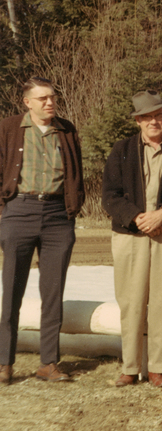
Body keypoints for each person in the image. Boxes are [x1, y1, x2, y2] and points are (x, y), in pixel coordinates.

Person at [0, 77, 85, 385]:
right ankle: (4, 362)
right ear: (27, 102)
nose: (50, 103)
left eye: (52, 97)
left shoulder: (67, 129)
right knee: (11, 290)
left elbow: (76, 171)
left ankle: (48, 362)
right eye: (43, 99)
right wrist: (4, 211)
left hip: (57, 216)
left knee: (53, 293)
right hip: (18, 211)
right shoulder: (8, 128)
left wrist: (72, 208)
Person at [102, 90, 162, 388]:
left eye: (159, 115)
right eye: (147, 116)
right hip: (130, 235)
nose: (154, 121)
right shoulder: (121, 150)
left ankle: (158, 367)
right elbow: (110, 196)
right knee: (131, 301)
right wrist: (138, 218)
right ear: (137, 120)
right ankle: (130, 365)